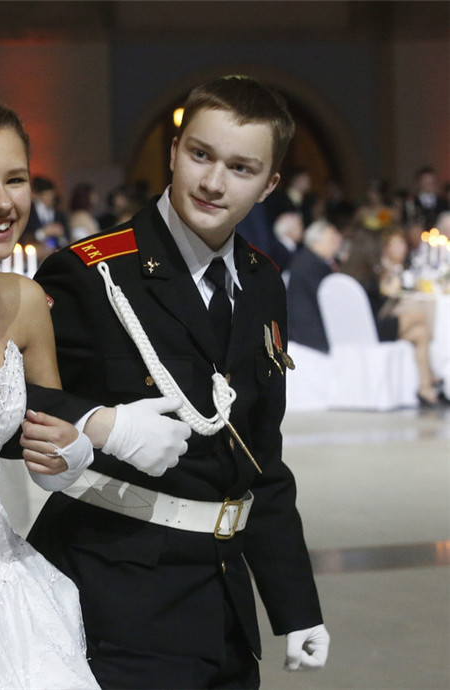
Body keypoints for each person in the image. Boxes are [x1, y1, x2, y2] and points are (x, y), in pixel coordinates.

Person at [28, 75, 330, 689]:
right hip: (116, 592)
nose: (214, 182)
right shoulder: (93, 274)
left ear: (270, 184)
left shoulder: (262, 281)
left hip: (222, 600)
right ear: (174, 150)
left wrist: (294, 605)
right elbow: (10, 401)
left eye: (242, 168)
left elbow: (258, 457)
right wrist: (101, 425)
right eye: (201, 155)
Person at [0, 99, 192, 689]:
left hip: (10, 569)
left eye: (16, 179)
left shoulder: (28, 302)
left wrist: (72, 451)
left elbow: (41, 440)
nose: (2, 202)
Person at [341, 225, 441, 406]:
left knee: (421, 333)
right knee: (419, 314)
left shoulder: (353, 270)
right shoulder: (368, 274)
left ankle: (425, 387)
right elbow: (381, 300)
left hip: (374, 325)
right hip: (374, 328)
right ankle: (433, 371)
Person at [286, 218, 343, 352]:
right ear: (316, 242)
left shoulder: (312, 260)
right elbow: (328, 297)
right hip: (310, 335)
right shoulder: (311, 264)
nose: (337, 242)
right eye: (332, 240)